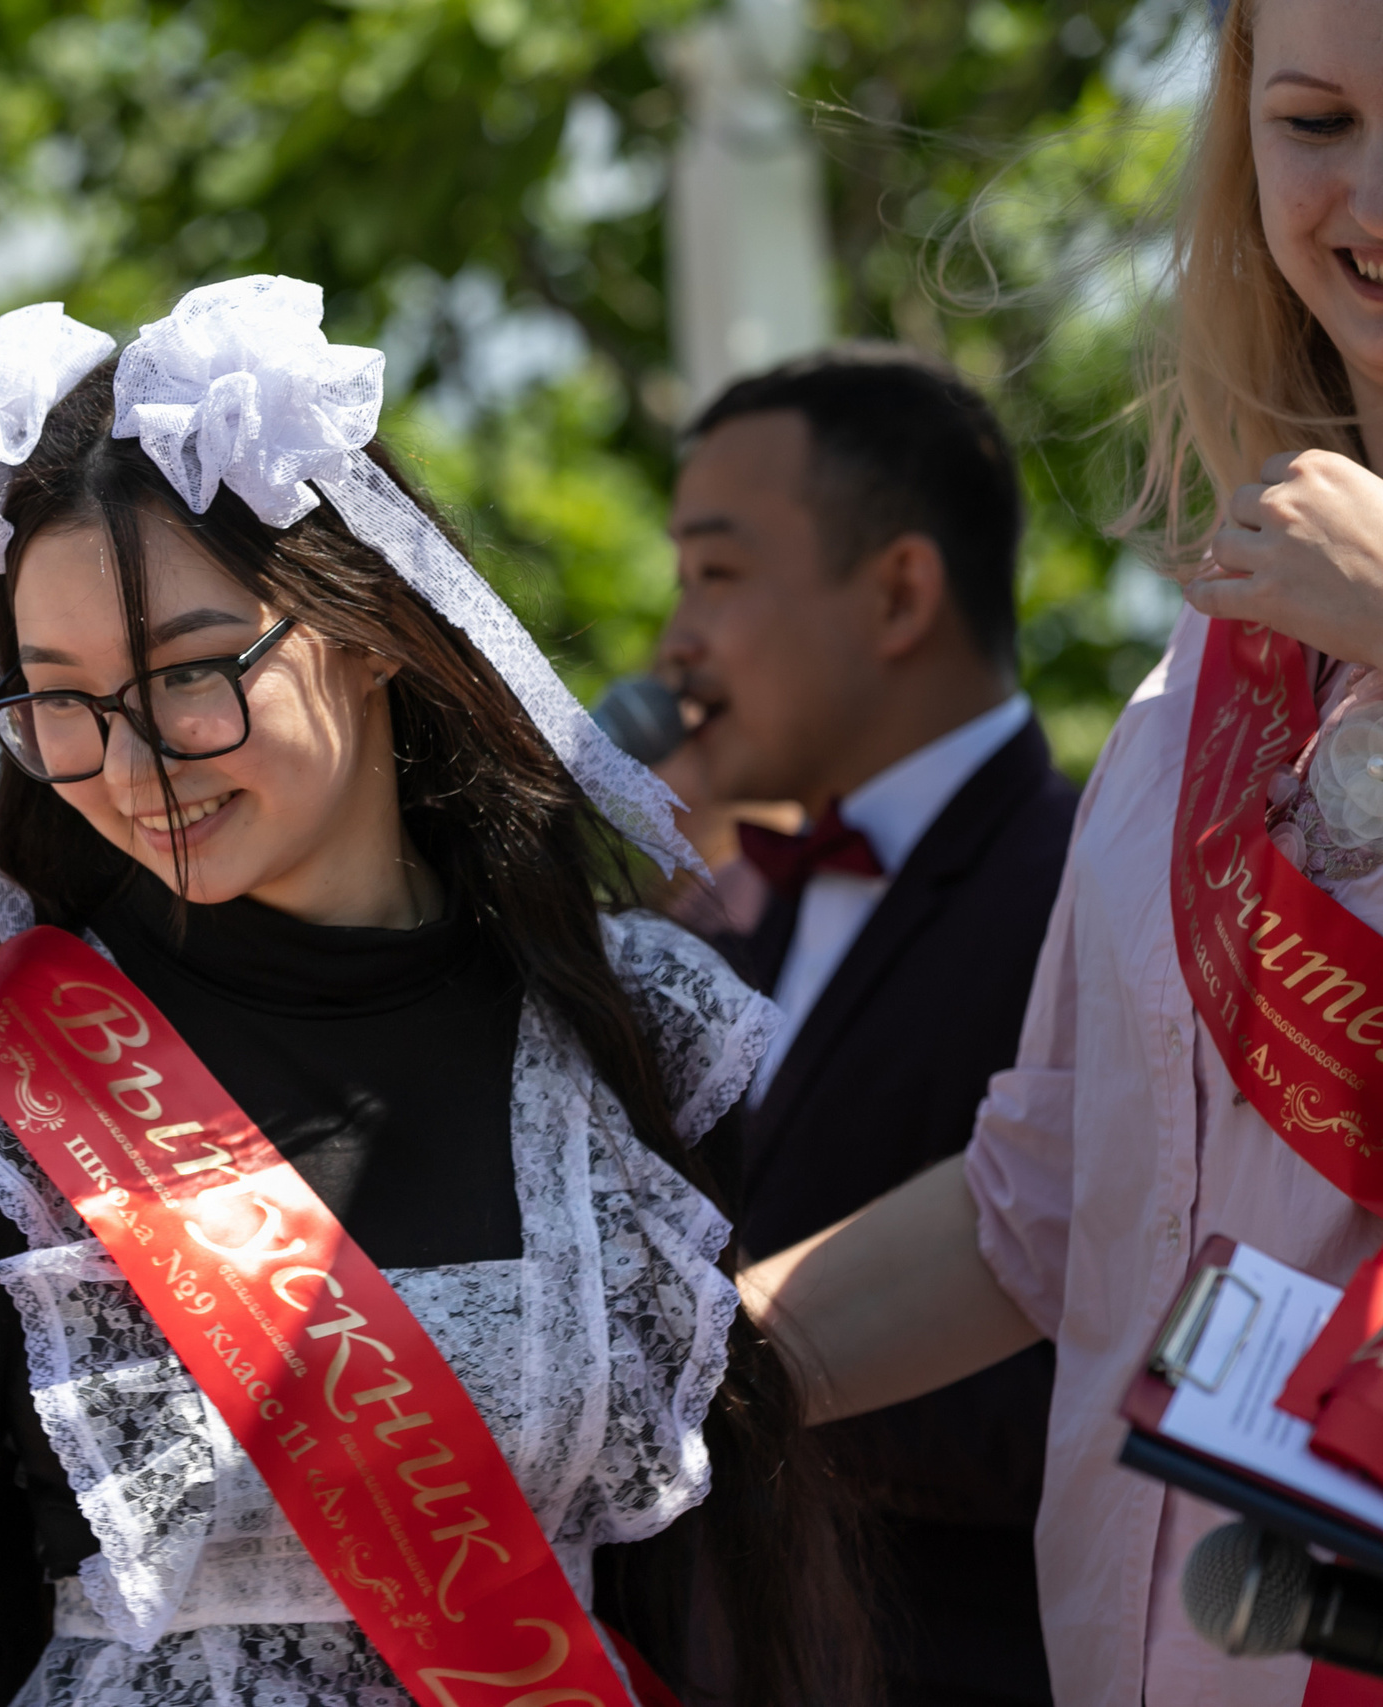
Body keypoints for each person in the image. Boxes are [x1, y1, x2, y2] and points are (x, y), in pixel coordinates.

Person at [0, 281, 868, 1707]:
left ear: (375, 623)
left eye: (192, 674)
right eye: (61, 700)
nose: (131, 763)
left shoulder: (634, 1030)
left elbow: (703, 1562)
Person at [739, 2, 1383, 1702]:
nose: (1372, 198)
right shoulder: (1214, 660)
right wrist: (651, 1378)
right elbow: (1059, 1188)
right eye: (1316, 122)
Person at [657, 348, 1074, 1707]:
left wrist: (683, 1390)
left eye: (717, 573)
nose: (676, 641)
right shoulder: (729, 913)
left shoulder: (1095, 885)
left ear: (899, 590)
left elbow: (1101, 1333)